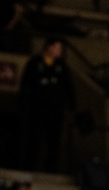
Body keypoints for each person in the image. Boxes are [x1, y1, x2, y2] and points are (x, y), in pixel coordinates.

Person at [19, 38, 75, 171]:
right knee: (34, 139)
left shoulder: (62, 65)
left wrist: (72, 105)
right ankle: (28, 167)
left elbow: (69, 87)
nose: (60, 51)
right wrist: (24, 103)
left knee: (53, 141)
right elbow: (25, 84)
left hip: (55, 110)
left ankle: (50, 169)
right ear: (49, 47)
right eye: (58, 48)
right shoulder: (34, 62)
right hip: (37, 108)